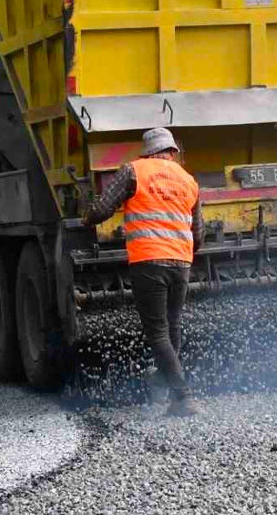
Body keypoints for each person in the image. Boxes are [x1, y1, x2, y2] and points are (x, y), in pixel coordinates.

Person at [83, 127, 205, 416]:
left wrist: (87, 218)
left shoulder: (134, 171)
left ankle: (184, 397)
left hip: (149, 261)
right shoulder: (189, 180)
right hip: (181, 262)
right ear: (172, 152)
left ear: (147, 152)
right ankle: (164, 385)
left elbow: (102, 210)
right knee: (173, 326)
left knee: (158, 332)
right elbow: (198, 234)